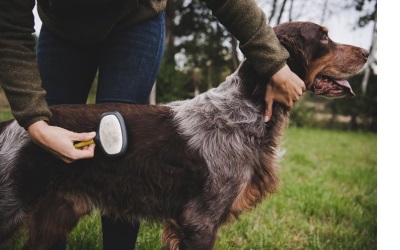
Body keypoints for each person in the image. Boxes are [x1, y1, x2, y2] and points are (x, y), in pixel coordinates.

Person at [0, 0, 305, 249]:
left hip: (136, 21)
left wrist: (273, 62)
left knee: (124, 146)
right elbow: (10, 29)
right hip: (60, 28)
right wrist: (35, 123)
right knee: (48, 153)